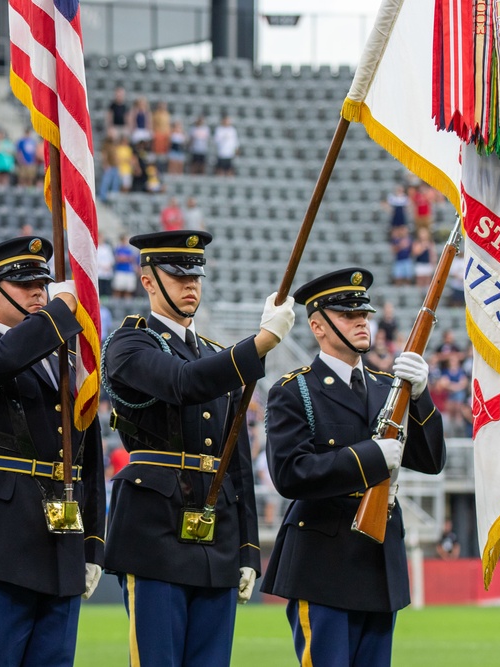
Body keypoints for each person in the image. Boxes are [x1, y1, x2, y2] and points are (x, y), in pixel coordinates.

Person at [102, 230, 295, 666]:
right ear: (148, 280)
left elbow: (237, 461)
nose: (191, 284)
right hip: (156, 528)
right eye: (177, 275)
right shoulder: (129, 343)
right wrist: (260, 343)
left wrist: (248, 549)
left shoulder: (214, 355)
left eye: (197, 275)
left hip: (218, 531)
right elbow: (182, 383)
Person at [260, 268, 446, 667]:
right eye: (348, 315)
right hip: (323, 565)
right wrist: (370, 457)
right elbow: (290, 473)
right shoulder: (295, 391)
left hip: (378, 565)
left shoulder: (387, 388)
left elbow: (431, 461)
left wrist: (421, 397)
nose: (362, 320)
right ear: (318, 327)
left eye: (364, 313)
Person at [0, 236, 106, 666]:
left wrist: (92, 545)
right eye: (23, 283)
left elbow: (89, 458)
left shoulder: (68, 363)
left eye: (42, 284)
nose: (38, 292)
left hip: (61, 539)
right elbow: (0, 361)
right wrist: (56, 317)